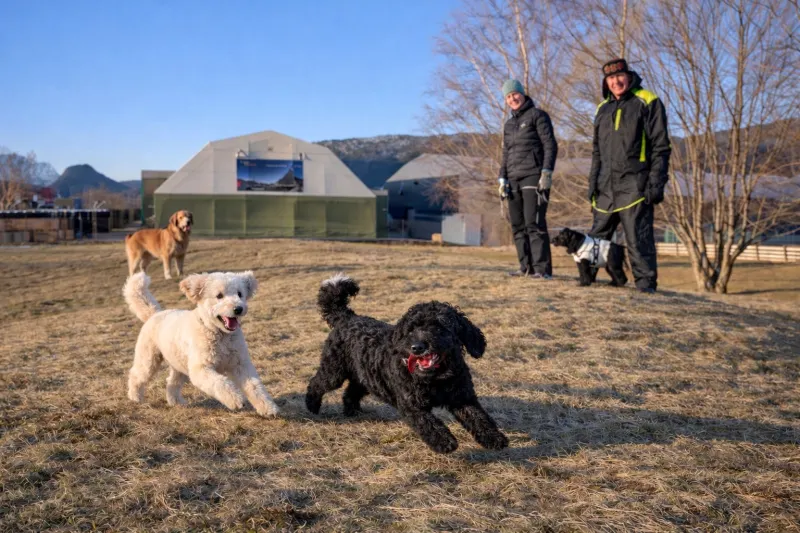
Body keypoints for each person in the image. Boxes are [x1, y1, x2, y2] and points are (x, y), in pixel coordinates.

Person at [588, 58, 671, 293]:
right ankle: (588, 283)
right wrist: (592, 183)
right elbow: (597, 151)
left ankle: (645, 287)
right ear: (606, 82)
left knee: (638, 238)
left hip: (636, 185)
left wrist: (656, 182)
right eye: (611, 78)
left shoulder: (647, 101)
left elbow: (661, 146)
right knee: (595, 239)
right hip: (605, 186)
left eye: (620, 76)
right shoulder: (602, 108)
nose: (616, 82)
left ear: (629, 76)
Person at [497, 79, 558, 278]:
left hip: (534, 175)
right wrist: (502, 178)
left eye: (514, 94)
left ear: (522, 93)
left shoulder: (537, 116)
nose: (512, 98)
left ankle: (542, 270)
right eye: (508, 96)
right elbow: (506, 153)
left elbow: (550, 144)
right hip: (513, 178)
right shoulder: (509, 125)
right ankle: (525, 267)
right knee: (517, 225)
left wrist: (547, 171)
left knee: (534, 222)